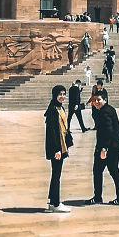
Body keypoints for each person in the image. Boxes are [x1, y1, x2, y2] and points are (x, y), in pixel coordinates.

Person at [88, 88, 119, 205]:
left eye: (99, 100)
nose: (96, 102)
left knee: (99, 170)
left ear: (105, 100)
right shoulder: (108, 109)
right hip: (115, 145)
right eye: (95, 100)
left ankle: (98, 197)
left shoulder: (105, 112)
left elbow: (108, 131)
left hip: (108, 147)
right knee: (113, 171)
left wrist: (104, 149)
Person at [44, 84, 72, 213]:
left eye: (64, 94)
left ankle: (52, 201)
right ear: (55, 95)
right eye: (60, 94)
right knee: (56, 175)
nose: (62, 96)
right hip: (57, 148)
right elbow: (52, 132)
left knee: (56, 174)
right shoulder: (53, 110)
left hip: (61, 146)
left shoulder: (60, 108)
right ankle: (56, 204)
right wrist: (56, 150)